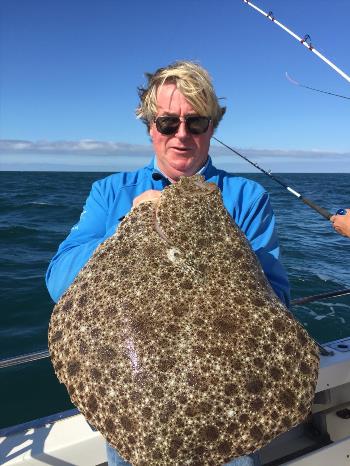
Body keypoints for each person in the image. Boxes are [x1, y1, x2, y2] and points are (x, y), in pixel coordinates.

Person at [46, 61, 290, 466]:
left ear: (213, 127)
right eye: (167, 122)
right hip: (134, 395)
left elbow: (277, 298)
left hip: (223, 401)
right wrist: (129, 227)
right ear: (149, 126)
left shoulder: (246, 197)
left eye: (196, 123)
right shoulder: (111, 192)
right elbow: (58, 281)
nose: (181, 135)